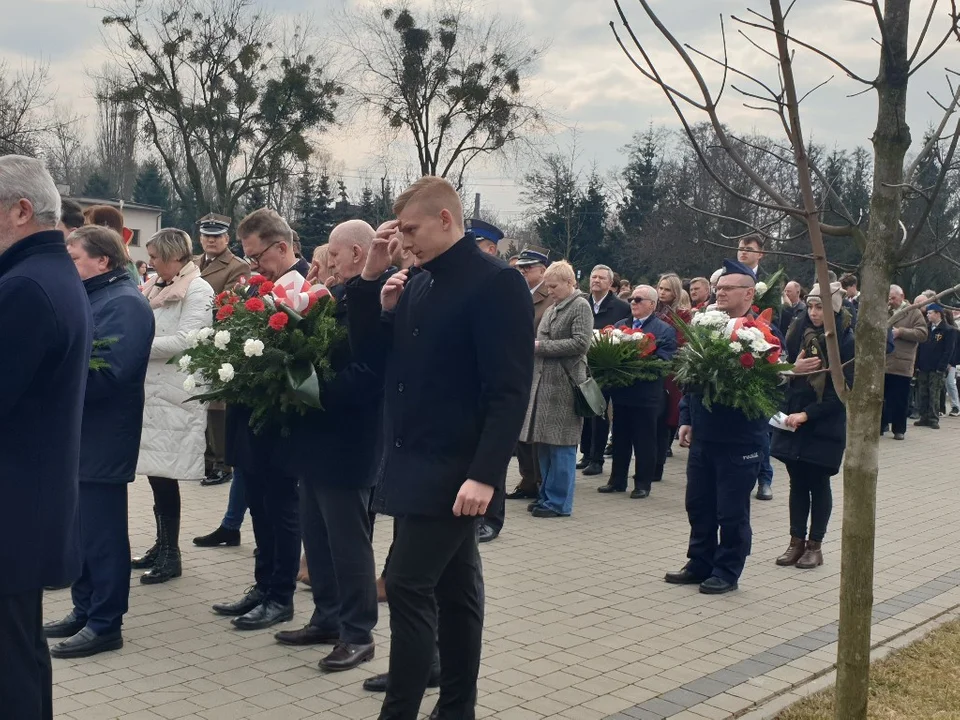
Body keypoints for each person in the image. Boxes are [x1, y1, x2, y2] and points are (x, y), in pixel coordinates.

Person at [347, 176, 533, 720]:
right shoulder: (419, 280)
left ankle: (401, 711)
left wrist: (486, 474)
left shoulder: (496, 283)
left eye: (411, 230)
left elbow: (508, 390)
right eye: (399, 232)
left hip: (455, 469)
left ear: (447, 220)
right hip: (411, 460)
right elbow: (377, 363)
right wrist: (372, 283)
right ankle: (456, 707)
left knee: (405, 585)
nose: (403, 241)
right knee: (456, 591)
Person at [0, 156, 92, 720]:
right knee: (20, 655)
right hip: (27, 505)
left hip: (11, 508)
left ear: (20, 210)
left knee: (11, 668)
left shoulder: (25, 288)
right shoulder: (50, 274)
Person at [272, 219, 385, 671]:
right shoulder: (335, 296)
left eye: (333, 257)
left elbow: (370, 372)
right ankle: (327, 616)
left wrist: (314, 387)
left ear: (357, 254)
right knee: (316, 537)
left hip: (348, 441)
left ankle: (358, 633)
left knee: (348, 544)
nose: (326, 264)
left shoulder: (373, 300)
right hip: (316, 437)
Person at [44, 226, 155, 658]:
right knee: (80, 531)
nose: (67, 265)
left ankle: (107, 622)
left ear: (103, 261)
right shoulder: (95, 295)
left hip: (103, 438)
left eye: (73, 257)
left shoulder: (125, 303)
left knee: (103, 535)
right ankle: (84, 607)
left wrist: (50, 371)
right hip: (78, 437)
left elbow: (108, 376)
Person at [213, 209, 308, 631]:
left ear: (281, 247)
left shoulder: (308, 287)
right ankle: (262, 583)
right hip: (250, 413)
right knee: (256, 504)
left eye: (257, 256)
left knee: (279, 508)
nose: (252, 265)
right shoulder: (262, 283)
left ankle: (280, 594)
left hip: (281, 419)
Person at [665, 259, 782, 595]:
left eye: (728, 288)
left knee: (731, 510)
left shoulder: (762, 334)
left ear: (748, 294)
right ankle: (699, 561)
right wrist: (687, 419)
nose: (721, 293)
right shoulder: (704, 327)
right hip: (704, 435)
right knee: (698, 503)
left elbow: (772, 386)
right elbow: (691, 379)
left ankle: (727, 570)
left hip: (740, 437)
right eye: (720, 288)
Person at [133, 229, 214, 584]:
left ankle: (171, 555)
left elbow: (187, 340)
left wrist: (135, 346)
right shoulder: (158, 285)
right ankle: (161, 544)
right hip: (154, 391)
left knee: (165, 475)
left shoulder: (198, 289)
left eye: (154, 256)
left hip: (175, 393)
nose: (150, 263)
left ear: (171, 256)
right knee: (155, 473)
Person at [772, 282, 854, 569]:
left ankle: (814, 545)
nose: (814, 312)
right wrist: (792, 371)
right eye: (811, 306)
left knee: (818, 483)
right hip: (794, 417)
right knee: (797, 483)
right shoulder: (797, 330)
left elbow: (843, 390)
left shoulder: (844, 339)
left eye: (821, 307)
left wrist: (808, 414)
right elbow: (787, 370)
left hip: (824, 423)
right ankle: (795, 541)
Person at [520, 260, 592, 517]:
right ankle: (546, 495)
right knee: (544, 444)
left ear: (569, 282)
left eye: (554, 286)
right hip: (543, 384)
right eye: (548, 286)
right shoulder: (554, 307)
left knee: (561, 447)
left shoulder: (580, 306)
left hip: (564, 385)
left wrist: (540, 347)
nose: (549, 291)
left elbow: (581, 343)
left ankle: (559, 503)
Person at [599, 285, 678, 498]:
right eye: (632, 299)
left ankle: (642, 483)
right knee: (620, 438)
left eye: (639, 299)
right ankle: (617, 480)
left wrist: (636, 363)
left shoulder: (663, 329)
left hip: (647, 396)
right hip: (622, 393)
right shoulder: (619, 326)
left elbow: (665, 361)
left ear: (652, 305)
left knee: (644, 440)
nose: (633, 302)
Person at [195, 213, 251, 488]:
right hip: (195, 342)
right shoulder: (193, 263)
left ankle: (221, 462)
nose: (211, 240)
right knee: (199, 399)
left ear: (227, 239)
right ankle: (205, 458)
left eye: (216, 236)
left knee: (217, 404)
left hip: (220, 341)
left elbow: (229, 305)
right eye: (207, 235)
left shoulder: (237, 267)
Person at [505, 245, 555, 502]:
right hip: (515, 367)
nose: (522, 271)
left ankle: (538, 481)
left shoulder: (551, 297)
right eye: (520, 267)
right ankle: (527, 479)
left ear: (543, 271)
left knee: (534, 432)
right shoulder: (516, 292)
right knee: (519, 430)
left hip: (539, 369)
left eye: (528, 268)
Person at [577, 264, 630, 477]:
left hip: (606, 366)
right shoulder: (582, 304)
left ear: (610, 283)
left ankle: (597, 458)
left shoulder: (620, 307)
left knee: (599, 411)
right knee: (584, 410)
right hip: (584, 364)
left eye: (601, 278)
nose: (596, 281)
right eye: (593, 277)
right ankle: (586, 453)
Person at [653, 273, 690, 484]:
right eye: (660, 288)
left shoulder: (682, 315)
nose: (662, 292)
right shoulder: (655, 311)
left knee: (668, 415)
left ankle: (661, 457)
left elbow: (680, 340)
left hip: (672, 370)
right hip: (654, 368)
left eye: (667, 289)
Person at [882, 285, 928, 440]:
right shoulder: (884, 311)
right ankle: (881, 425)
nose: (890, 301)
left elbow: (922, 334)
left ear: (902, 296)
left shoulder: (913, 312)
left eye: (893, 298)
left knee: (900, 399)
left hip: (902, 364)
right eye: (888, 298)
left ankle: (899, 429)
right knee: (880, 398)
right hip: (883, 363)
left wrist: (901, 332)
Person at [914, 304, 956, 430]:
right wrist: (917, 364)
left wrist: (942, 367)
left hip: (937, 367)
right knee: (923, 392)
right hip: (924, 365)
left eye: (930, 313)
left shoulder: (948, 330)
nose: (927, 315)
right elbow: (920, 347)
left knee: (934, 392)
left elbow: (948, 351)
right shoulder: (926, 328)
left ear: (938, 313)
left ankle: (933, 417)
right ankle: (924, 416)